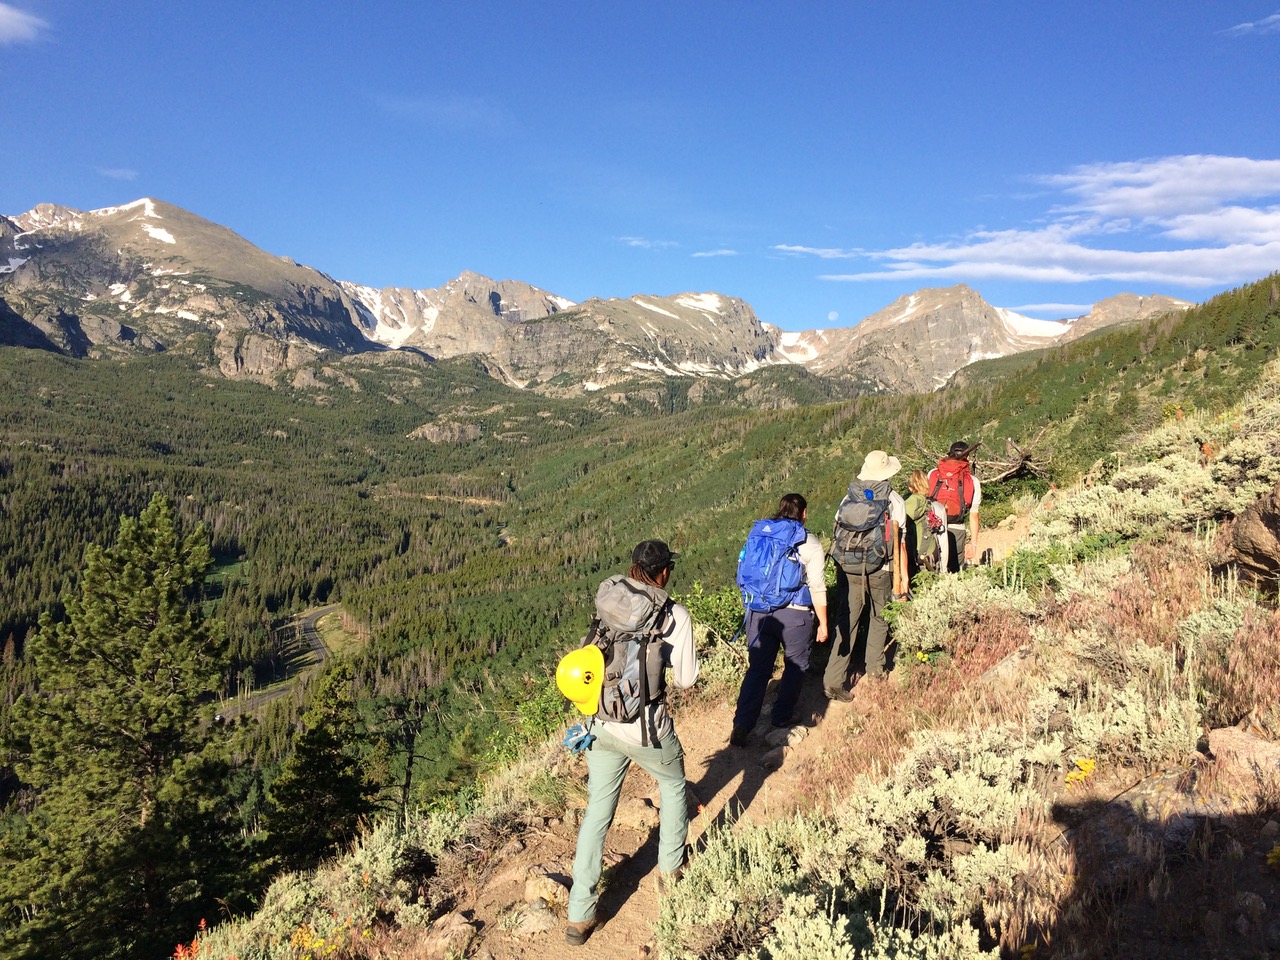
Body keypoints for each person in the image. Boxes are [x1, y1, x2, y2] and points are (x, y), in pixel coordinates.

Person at [566, 539, 698, 946]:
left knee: (597, 814)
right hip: (645, 728)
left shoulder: (611, 597)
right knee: (674, 786)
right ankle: (672, 871)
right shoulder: (674, 615)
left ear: (634, 567)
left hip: (601, 722)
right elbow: (686, 679)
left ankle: (579, 915)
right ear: (663, 573)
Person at [729, 494, 829, 746]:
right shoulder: (809, 542)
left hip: (759, 612)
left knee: (758, 670)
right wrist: (823, 622)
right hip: (794, 614)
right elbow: (817, 586)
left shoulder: (760, 534)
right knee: (795, 665)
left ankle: (742, 722)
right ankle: (782, 716)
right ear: (804, 513)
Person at [824, 450, 906, 699]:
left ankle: (833, 680)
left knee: (846, 622)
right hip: (880, 569)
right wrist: (901, 580)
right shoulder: (894, 500)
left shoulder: (848, 499)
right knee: (879, 619)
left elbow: (838, 533)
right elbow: (899, 543)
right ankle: (875, 673)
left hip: (848, 570)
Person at [928, 441, 982, 572]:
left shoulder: (933, 473)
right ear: (967, 457)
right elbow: (974, 515)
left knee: (931, 570)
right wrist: (973, 544)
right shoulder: (973, 481)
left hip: (932, 527)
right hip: (957, 529)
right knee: (955, 572)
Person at [902, 469, 949, 585]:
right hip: (929, 554)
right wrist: (944, 570)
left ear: (910, 487)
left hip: (908, 555)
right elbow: (942, 539)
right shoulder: (936, 507)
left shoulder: (902, 505)